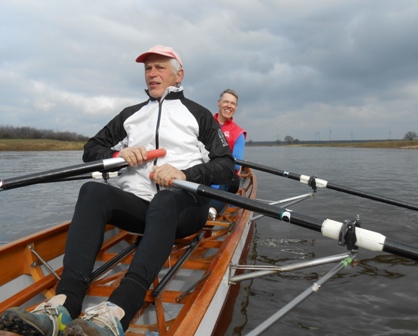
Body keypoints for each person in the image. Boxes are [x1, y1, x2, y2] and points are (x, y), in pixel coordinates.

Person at [0, 45, 237, 336]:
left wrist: (184, 172)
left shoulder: (198, 115)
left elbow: (226, 165)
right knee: (92, 191)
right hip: (140, 207)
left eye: (160, 67)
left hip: (183, 208)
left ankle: (118, 311)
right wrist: (117, 157)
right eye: (148, 68)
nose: (152, 74)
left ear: (179, 75)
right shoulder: (130, 115)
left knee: (166, 199)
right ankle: (64, 303)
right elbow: (91, 150)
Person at [208, 89, 247, 219]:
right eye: (226, 102)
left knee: (227, 180)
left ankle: (211, 211)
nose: (229, 106)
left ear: (236, 107)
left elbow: (236, 166)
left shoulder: (238, 133)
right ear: (219, 103)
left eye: (232, 103)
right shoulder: (205, 124)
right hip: (204, 172)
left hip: (225, 176)